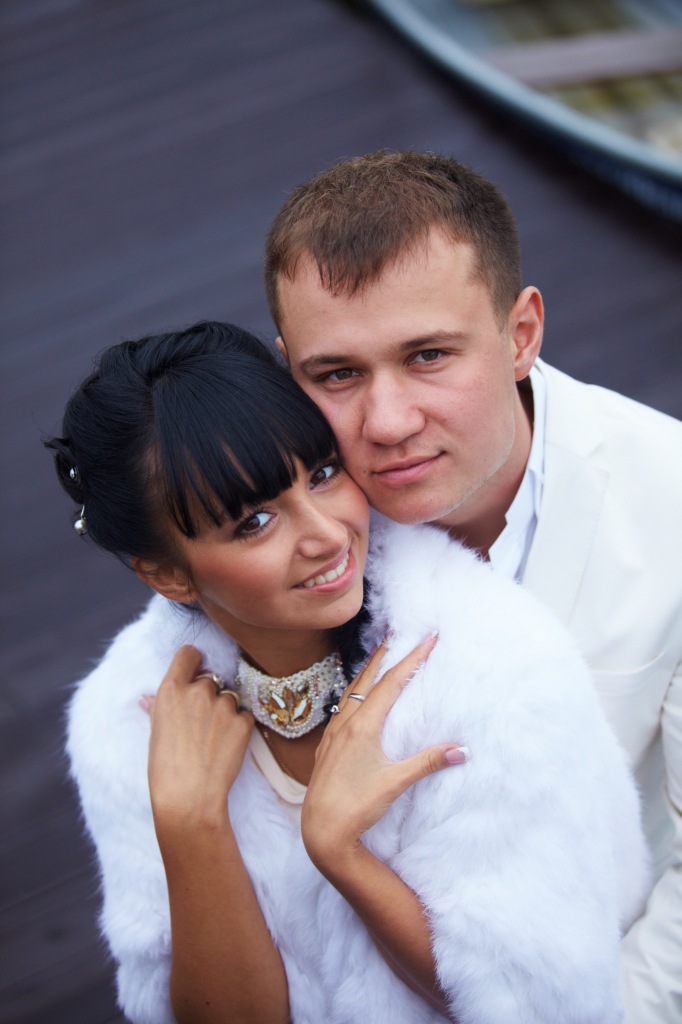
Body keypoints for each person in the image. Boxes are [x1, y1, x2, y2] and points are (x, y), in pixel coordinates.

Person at [48, 321, 648, 1024]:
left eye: (323, 473)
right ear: (166, 574)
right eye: (254, 522)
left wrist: (340, 851)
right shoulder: (128, 715)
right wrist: (190, 823)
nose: (327, 534)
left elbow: (547, 1004)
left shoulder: (486, 669)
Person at [263, 149, 682, 1023]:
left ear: (521, 334)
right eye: (337, 374)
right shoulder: (287, 526)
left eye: (427, 356)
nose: (386, 424)